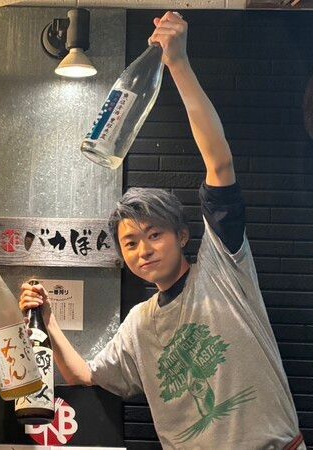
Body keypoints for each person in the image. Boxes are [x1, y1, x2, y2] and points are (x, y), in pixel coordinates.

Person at [19, 12, 304, 450]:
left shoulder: (223, 271)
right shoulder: (140, 323)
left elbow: (219, 163)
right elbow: (86, 376)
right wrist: (49, 322)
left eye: (155, 234)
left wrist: (178, 64)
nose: (144, 250)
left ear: (183, 236)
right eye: (130, 243)